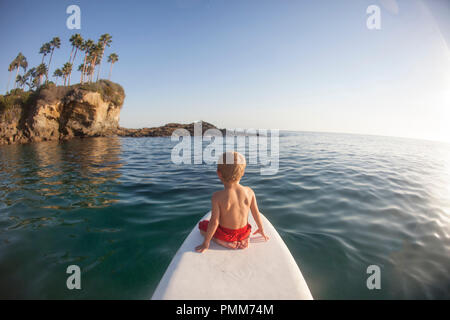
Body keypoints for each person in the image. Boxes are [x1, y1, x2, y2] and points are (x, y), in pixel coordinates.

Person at [195, 151, 269, 253]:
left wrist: (206, 242)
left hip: (226, 235)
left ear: (219, 174)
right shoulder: (249, 191)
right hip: (244, 232)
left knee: (202, 226)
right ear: (242, 173)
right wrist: (261, 229)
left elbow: (214, 222)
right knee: (242, 229)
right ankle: (243, 239)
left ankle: (221, 241)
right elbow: (256, 213)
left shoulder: (217, 196)